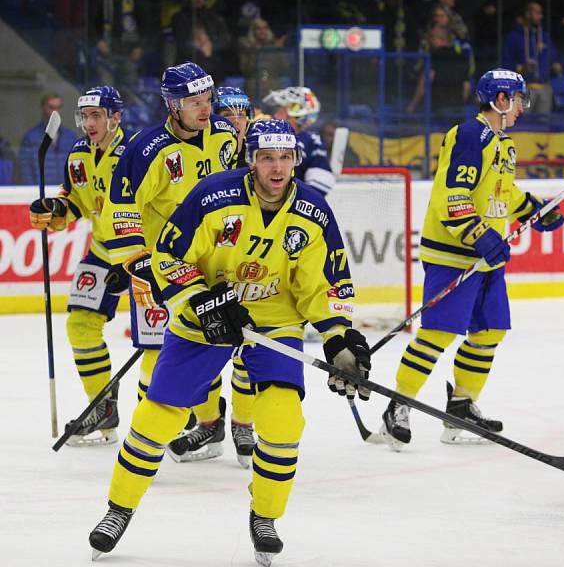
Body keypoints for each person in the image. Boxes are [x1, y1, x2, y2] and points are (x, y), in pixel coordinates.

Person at [88, 118, 371, 565]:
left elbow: (325, 285)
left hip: (273, 320)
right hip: (206, 313)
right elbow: (169, 257)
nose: (276, 169)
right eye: (266, 158)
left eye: (284, 158)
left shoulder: (314, 212)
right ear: (251, 160)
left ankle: (265, 516)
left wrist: (340, 338)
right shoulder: (213, 195)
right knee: (157, 417)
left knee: (282, 421)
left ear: (294, 160)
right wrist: (204, 302)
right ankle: (118, 510)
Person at [380, 68, 564, 449]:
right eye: (518, 100)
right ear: (501, 100)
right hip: (454, 254)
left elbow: (502, 192)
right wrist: (479, 236)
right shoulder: (470, 134)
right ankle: (398, 406)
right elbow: (454, 197)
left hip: (486, 257)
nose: (521, 108)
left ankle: (462, 405)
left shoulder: (503, 143)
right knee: (438, 333)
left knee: (489, 331)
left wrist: (532, 208)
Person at [98, 62, 239, 463]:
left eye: (208, 99)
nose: (205, 109)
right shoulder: (146, 149)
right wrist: (135, 261)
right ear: (172, 105)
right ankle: (151, 434)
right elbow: (122, 207)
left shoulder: (225, 135)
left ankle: (214, 424)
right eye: (194, 102)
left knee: (215, 344)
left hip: (221, 263)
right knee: (160, 355)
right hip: (169, 270)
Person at [28, 86, 131, 445]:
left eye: (96, 116)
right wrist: (54, 211)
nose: (88, 123)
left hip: (146, 255)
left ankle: (182, 412)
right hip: (103, 251)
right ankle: (102, 407)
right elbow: (74, 202)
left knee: (165, 340)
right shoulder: (77, 155)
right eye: (85, 116)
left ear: (115, 118)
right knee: (80, 325)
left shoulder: (136, 154)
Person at [262, 86, 334, 196]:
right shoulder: (262, 138)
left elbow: (319, 187)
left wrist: (292, 205)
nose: (275, 115)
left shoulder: (311, 143)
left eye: (280, 111)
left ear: (296, 115)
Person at [17, 93, 77, 185]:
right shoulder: (31, 137)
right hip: (39, 191)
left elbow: (76, 164)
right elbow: (25, 168)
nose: (55, 112)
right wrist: (32, 189)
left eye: (58, 107)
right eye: (51, 107)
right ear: (43, 108)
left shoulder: (70, 137)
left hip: (64, 192)